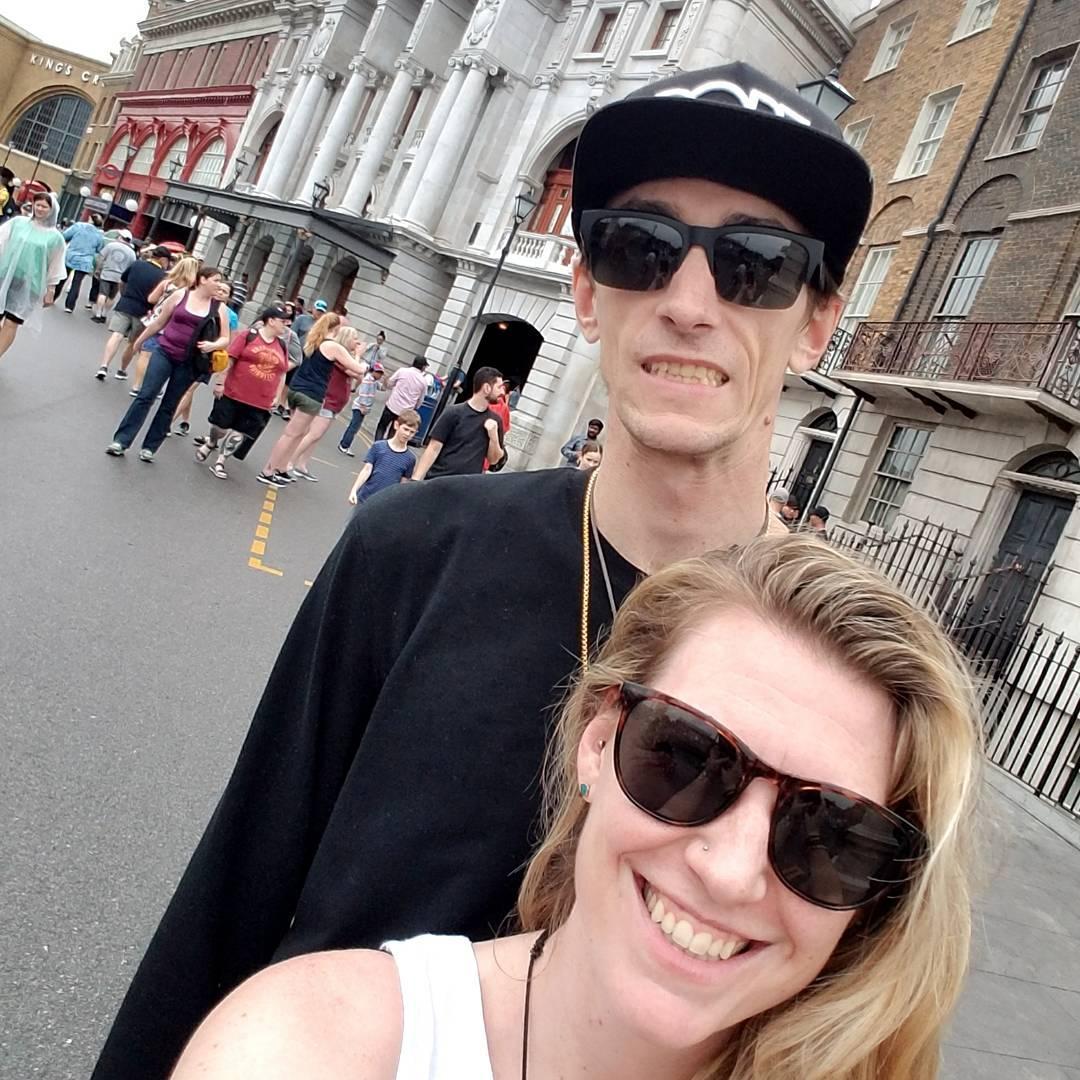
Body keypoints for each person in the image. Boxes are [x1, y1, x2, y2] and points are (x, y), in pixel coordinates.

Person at [90, 61, 874, 1080]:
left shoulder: (847, 680)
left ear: (814, 324)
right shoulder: (410, 549)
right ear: (586, 291)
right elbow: (235, 887)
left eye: (756, 263)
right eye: (639, 248)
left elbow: (848, 1015)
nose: (688, 302)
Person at [169, 535, 981, 1080]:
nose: (732, 871)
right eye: (688, 757)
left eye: (831, 833)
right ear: (597, 744)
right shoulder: (314, 1047)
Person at [105, 266, 230, 462]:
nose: (219, 285)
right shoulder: (181, 295)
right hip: (164, 352)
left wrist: (213, 345)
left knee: (169, 404)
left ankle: (150, 447)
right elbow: (159, 322)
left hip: (189, 362)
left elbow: (225, 338)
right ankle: (121, 440)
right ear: (203, 280)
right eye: (216, 280)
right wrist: (140, 340)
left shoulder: (218, 308)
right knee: (146, 395)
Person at [257, 321, 365, 488]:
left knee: (299, 433)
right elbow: (358, 370)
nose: (357, 341)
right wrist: (358, 355)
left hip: (298, 388)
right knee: (293, 434)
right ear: (336, 330)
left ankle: (281, 468)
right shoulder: (332, 347)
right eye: (354, 337)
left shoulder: (315, 341)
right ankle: (268, 470)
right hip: (311, 393)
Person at [194, 306, 291, 481]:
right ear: (271, 321)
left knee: (240, 433)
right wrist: (220, 382)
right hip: (234, 393)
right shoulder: (249, 336)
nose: (286, 324)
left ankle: (221, 461)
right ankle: (212, 442)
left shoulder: (282, 345)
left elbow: (282, 372)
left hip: (260, 401)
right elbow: (230, 359)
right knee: (220, 428)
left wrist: (277, 397)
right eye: (282, 321)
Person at [0, 191, 66, 363]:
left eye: (45, 206)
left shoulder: (55, 238)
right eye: (38, 205)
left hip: (30, 285)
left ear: (52, 210)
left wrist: (51, 289)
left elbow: (55, 264)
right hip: (4, 276)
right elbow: (1, 241)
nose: (40, 209)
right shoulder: (18, 223)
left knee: (11, 322)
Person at [171, 281, 241, 436]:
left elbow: (232, 342)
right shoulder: (204, 304)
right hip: (192, 352)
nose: (220, 293)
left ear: (229, 297)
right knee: (187, 386)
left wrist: (223, 367)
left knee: (189, 388)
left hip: (209, 357)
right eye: (219, 289)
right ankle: (185, 421)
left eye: (225, 292)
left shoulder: (231, 316)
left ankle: (168, 423)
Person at [412, 365, 505, 480]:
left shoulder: (495, 421)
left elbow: (493, 460)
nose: (502, 392)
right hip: (439, 479)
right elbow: (433, 448)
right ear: (486, 388)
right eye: (499, 387)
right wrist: (416, 479)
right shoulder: (453, 412)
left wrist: (493, 437)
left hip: (467, 485)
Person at [94, 246, 170, 381]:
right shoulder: (162, 276)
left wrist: (124, 294)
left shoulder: (136, 264)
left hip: (125, 304)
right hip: (143, 311)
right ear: (163, 259)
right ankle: (121, 369)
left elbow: (122, 281)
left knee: (116, 335)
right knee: (133, 342)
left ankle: (104, 366)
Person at [128, 256, 199, 396]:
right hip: (175, 327)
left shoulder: (167, 283)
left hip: (157, 321)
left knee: (146, 355)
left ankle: (137, 386)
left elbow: (151, 299)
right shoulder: (192, 291)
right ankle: (157, 387)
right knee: (166, 358)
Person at [346, 409, 420, 508]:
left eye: (412, 432)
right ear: (396, 425)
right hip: (365, 498)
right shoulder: (378, 447)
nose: (408, 434)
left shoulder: (410, 459)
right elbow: (366, 470)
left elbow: (403, 484)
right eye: (405, 429)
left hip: (386, 504)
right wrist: (354, 490)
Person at [374, 354, 428, 440]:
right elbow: (420, 400)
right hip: (405, 412)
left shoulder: (402, 371)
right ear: (423, 367)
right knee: (394, 433)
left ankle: (377, 445)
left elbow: (390, 384)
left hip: (392, 405)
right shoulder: (423, 381)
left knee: (382, 427)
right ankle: (388, 447)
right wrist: (414, 408)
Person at [59, 214, 105, 311]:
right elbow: (99, 249)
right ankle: (69, 306)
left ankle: (53, 296)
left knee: (62, 278)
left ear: (91, 219)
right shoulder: (99, 234)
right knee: (77, 283)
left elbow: (65, 236)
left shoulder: (79, 226)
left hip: (71, 256)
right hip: (85, 261)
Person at [337, 361, 384, 456]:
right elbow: (362, 393)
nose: (380, 375)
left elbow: (383, 388)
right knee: (353, 427)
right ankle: (344, 445)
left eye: (381, 373)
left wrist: (386, 380)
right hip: (359, 407)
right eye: (378, 372)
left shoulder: (374, 382)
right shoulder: (367, 380)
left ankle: (345, 444)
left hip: (364, 408)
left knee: (355, 427)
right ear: (372, 371)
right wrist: (363, 407)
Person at [92, 230, 136, 323]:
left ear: (120, 237)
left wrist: (98, 269)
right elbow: (132, 267)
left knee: (102, 294)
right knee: (111, 297)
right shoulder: (132, 253)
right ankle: (104, 314)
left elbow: (101, 258)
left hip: (107, 274)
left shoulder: (111, 245)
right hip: (119, 277)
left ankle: (98, 314)